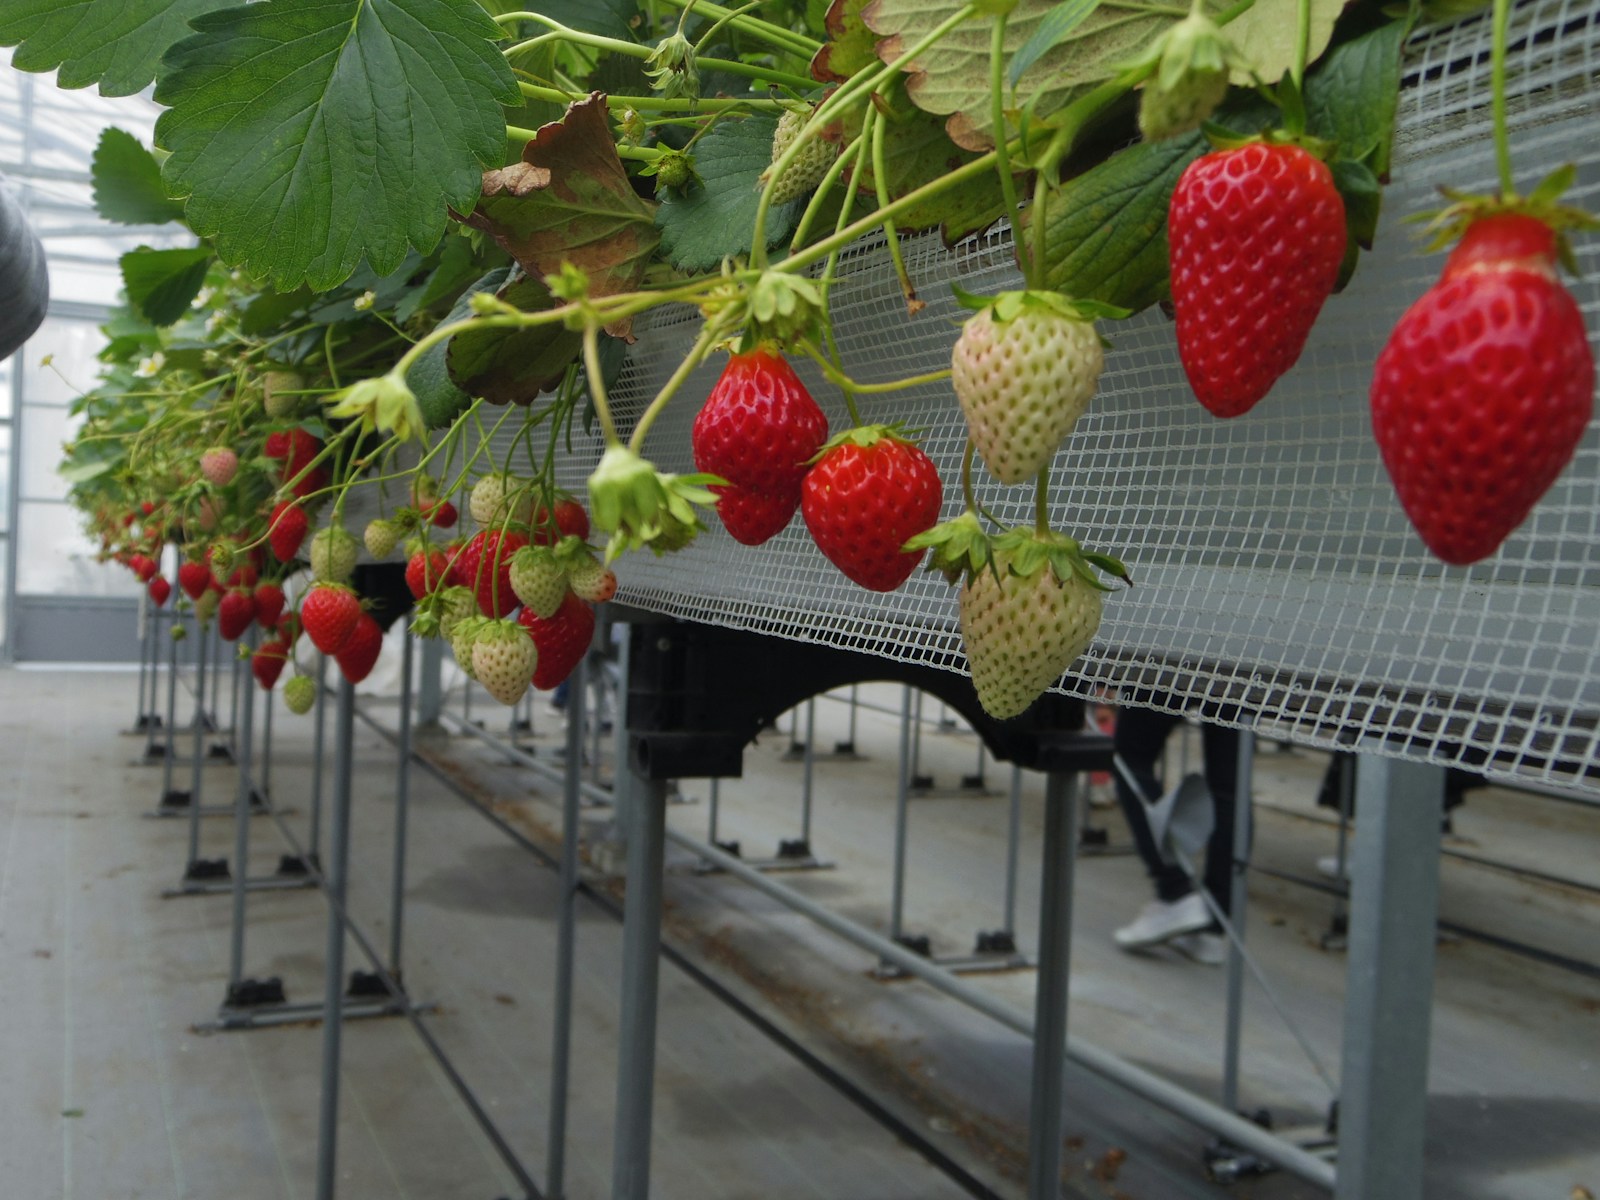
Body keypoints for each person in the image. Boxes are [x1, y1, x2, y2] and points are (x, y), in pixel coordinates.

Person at [1110, 692, 1242, 965]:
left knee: (1129, 759)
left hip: (1181, 655)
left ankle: (1175, 890)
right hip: (1247, 659)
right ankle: (1212, 925)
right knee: (1229, 785)